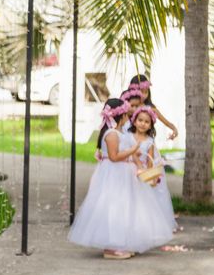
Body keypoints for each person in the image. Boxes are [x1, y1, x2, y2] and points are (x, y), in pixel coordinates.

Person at [69, 98, 172, 258]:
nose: (128, 115)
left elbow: (124, 153)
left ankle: (120, 243)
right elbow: (114, 156)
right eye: (126, 113)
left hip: (122, 173)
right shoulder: (111, 134)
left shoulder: (118, 133)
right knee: (114, 208)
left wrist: (135, 158)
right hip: (114, 174)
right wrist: (132, 150)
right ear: (121, 116)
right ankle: (112, 247)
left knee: (123, 208)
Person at [127, 105, 178, 231]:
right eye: (140, 120)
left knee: (142, 201)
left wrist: (149, 175)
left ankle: (143, 226)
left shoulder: (149, 141)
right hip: (128, 172)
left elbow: (150, 161)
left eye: (146, 122)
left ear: (150, 125)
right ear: (134, 121)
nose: (143, 124)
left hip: (142, 173)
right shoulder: (128, 136)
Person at [128, 74, 178, 140]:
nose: (144, 95)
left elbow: (166, 122)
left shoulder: (150, 109)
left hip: (146, 142)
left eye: (146, 92)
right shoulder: (128, 107)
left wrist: (174, 130)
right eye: (141, 92)